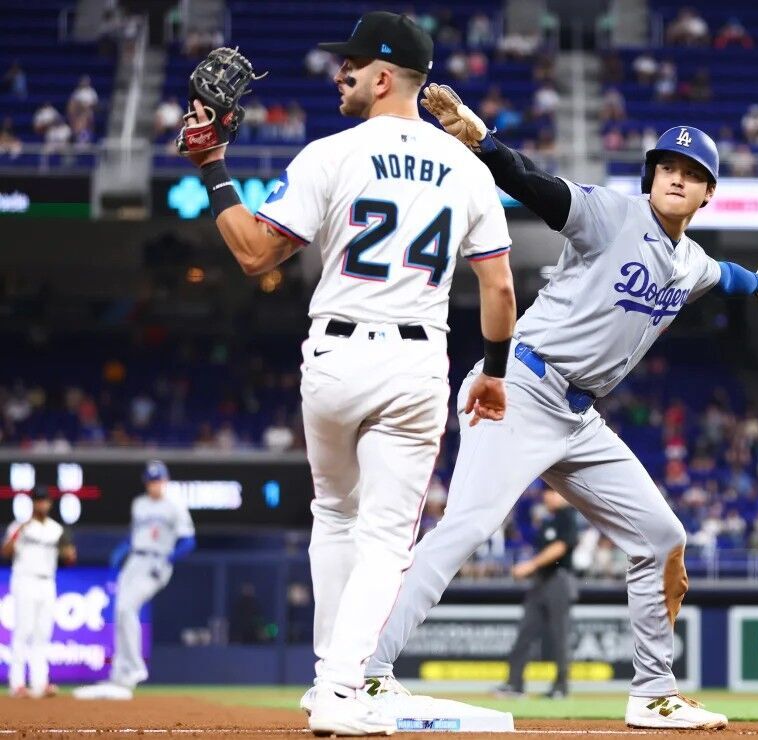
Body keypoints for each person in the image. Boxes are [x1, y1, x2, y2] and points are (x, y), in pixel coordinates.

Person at [353, 87, 758, 730]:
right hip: (520, 386)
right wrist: (483, 144)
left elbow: (728, 276)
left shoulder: (692, 262)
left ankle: (653, 692)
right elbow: (537, 188)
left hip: (577, 416)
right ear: (652, 178)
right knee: (464, 529)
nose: (677, 179)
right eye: (669, 168)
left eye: (693, 174)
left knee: (662, 536)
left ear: (708, 195)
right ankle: (367, 674)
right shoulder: (612, 215)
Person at [175, 13, 517, 736]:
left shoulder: (329, 154)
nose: (341, 73)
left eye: (353, 65)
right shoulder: (465, 166)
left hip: (331, 356)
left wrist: (212, 165)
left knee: (333, 514)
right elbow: (500, 290)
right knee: (388, 538)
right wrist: (493, 371)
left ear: (387, 76)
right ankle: (341, 687)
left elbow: (251, 255)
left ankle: (326, 679)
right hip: (414, 359)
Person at [74, 461, 195, 700]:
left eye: (158, 479)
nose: (155, 484)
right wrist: (120, 553)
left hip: (156, 562)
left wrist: (169, 558)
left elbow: (189, 541)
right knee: (120, 612)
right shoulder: (139, 504)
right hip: (134, 561)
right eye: (151, 480)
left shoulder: (175, 506)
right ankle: (119, 672)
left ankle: (134, 668)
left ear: (166, 480)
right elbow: (133, 536)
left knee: (128, 608)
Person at [493, 489, 579, 700]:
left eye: (552, 493)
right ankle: (515, 684)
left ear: (562, 495)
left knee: (560, 635)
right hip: (541, 580)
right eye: (546, 493)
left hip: (559, 579)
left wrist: (530, 566)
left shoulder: (567, 516)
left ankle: (561, 686)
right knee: (525, 632)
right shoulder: (547, 520)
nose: (547, 497)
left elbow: (560, 547)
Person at [3, 485, 76, 698]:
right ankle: (17, 684)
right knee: (23, 631)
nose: (41, 504)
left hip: (47, 582)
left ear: (50, 503)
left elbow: (68, 557)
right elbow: (6, 552)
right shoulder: (20, 526)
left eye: (44, 500)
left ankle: (40, 682)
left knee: (43, 633)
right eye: (38, 500)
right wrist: (18, 534)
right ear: (32, 503)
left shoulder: (56, 529)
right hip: (24, 580)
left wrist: (69, 553)